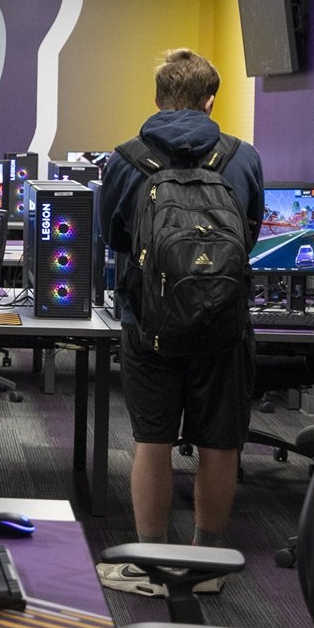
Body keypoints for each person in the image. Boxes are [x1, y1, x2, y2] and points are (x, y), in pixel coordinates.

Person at [95, 49, 265, 598]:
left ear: (157, 99)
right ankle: (208, 564)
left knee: (152, 440)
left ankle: (150, 562)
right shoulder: (242, 156)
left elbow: (114, 239)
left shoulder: (124, 159)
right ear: (211, 100)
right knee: (220, 444)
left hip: (149, 323)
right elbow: (250, 235)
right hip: (224, 324)